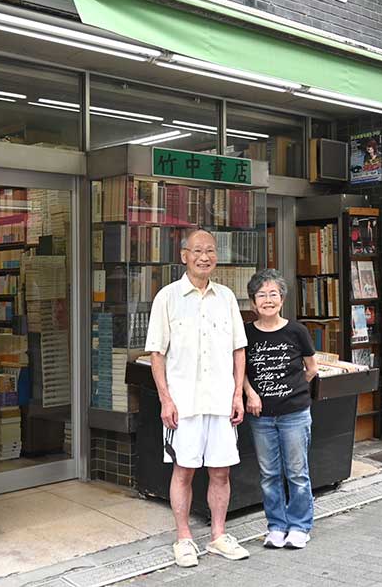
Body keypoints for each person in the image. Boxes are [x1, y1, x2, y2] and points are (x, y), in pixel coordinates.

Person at [145, 228, 250, 568]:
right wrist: (165, 399)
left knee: (221, 472)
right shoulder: (168, 297)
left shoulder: (227, 298)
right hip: (184, 402)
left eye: (210, 250)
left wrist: (238, 393)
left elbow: (239, 349)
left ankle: (218, 535)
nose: (205, 256)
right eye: (198, 250)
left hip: (220, 401)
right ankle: (184, 538)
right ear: (184, 255)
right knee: (183, 470)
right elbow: (156, 354)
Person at [243, 268, 318, 550]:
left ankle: (300, 526)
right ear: (253, 303)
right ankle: (276, 526)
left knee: (297, 471)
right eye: (261, 295)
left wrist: (293, 391)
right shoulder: (247, 333)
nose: (268, 300)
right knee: (269, 473)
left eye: (273, 294)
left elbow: (311, 369)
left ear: (282, 298)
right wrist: (251, 394)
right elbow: (242, 371)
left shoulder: (297, 331)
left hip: (294, 413)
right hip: (261, 415)